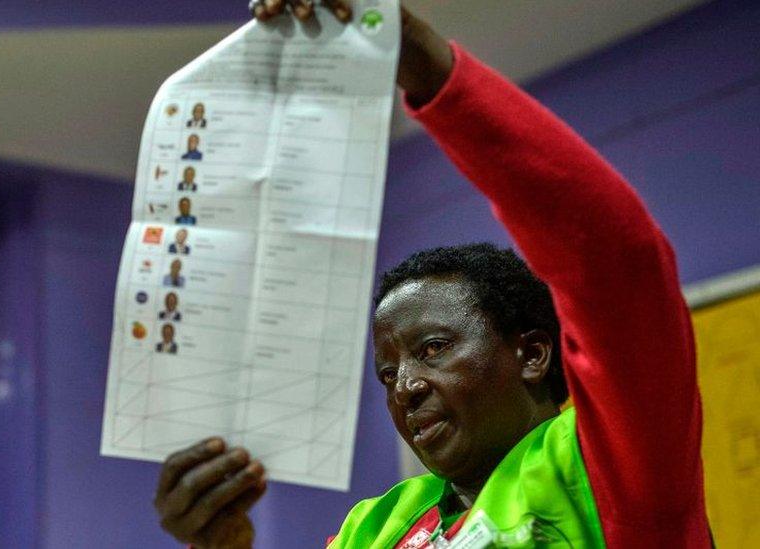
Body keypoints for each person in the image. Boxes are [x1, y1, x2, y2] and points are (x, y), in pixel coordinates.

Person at [152, 3, 710, 549]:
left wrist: (423, 63)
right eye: (388, 375)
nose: (407, 389)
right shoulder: (375, 528)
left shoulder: (605, 461)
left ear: (533, 354)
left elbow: (616, 261)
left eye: (435, 347)